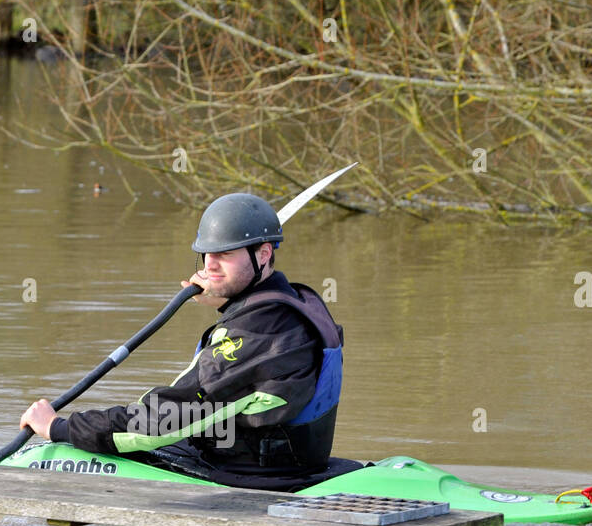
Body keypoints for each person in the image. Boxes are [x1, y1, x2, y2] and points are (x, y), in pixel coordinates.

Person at [19, 192, 351, 490]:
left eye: (225, 254)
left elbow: (166, 417)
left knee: (66, 450)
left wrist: (60, 428)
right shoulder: (293, 303)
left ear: (263, 254)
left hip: (250, 473)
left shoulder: (258, 332)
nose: (210, 265)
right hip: (283, 460)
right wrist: (226, 302)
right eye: (206, 254)